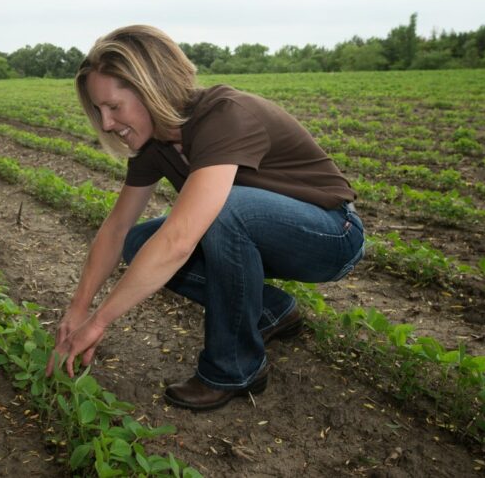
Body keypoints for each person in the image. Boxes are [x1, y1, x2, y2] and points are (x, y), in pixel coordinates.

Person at [44, 25, 365, 411]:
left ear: (153, 89)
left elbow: (180, 239)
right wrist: (78, 307)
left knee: (221, 212)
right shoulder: (155, 144)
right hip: (264, 232)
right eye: (99, 110)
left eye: (114, 106)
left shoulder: (225, 115)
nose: (107, 123)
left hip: (331, 234)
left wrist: (99, 321)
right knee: (139, 242)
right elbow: (116, 228)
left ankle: (234, 368)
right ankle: (271, 311)